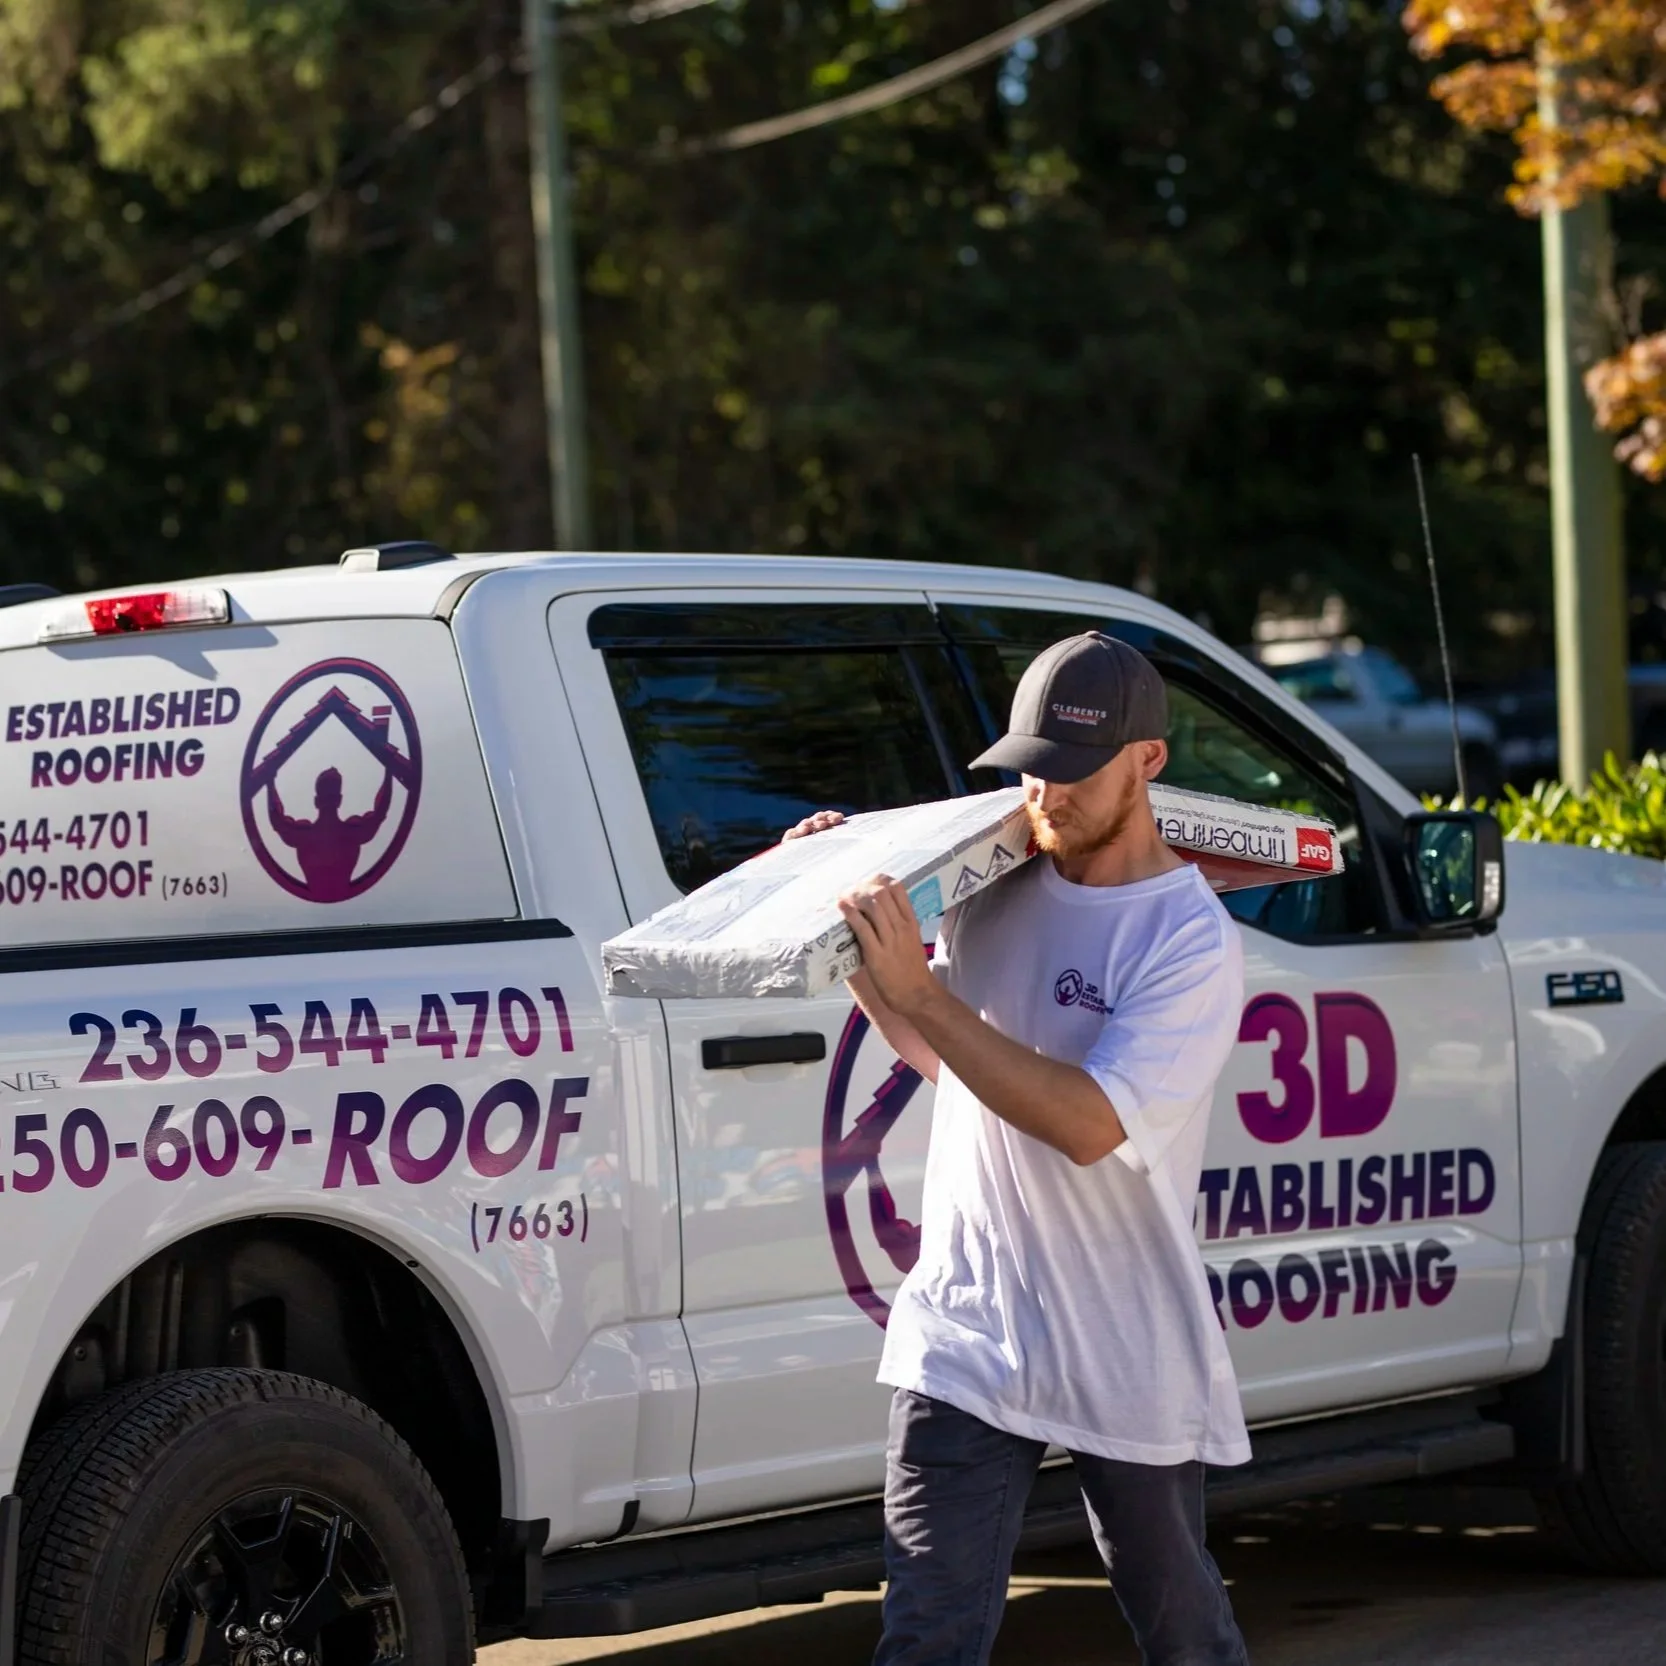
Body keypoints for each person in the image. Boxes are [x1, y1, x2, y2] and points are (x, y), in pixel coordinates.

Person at [785, 632, 1251, 1666]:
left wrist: (917, 993)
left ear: (1148, 762)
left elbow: (1089, 1123)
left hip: (1119, 1333)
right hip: (967, 1323)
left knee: (1181, 1630)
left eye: (1076, 771)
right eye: (1030, 765)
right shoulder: (996, 886)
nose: (1046, 793)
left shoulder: (1187, 940)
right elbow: (949, 1055)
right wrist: (864, 951)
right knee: (926, 1636)